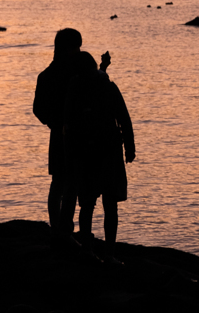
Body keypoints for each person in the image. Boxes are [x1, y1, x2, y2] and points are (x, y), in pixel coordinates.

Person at [63, 50, 136, 259]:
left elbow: (67, 126)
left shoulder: (74, 89)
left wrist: (70, 157)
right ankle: (109, 254)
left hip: (84, 153)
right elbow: (124, 118)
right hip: (108, 152)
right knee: (109, 205)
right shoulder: (107, 86)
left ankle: (87, 249)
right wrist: (129, 148)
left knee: (87, 204)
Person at [33, 28, 82, 235]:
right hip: (71, 135)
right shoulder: (72, 75)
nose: (79, 52)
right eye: (76, 47)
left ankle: (59, 227)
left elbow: (38, 109)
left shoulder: (46, 75)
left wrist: (53, 124)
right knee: (68, 184)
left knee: (60, 183)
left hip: (59, 134)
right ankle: (64, 229)